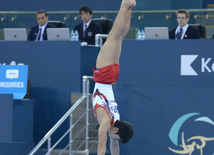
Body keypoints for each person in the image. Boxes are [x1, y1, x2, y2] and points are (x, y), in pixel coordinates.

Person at [91, 0, 135, 154]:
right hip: (104, 75)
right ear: (116, 129)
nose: (113, 140)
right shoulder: (105, 122)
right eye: (115, 137)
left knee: (120, 37)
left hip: (112, 76)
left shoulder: (116, 118)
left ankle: (129, 8)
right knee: (114, 35)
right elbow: (102, 147)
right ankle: (124, 5)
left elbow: (114, 147)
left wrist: (115, 144)